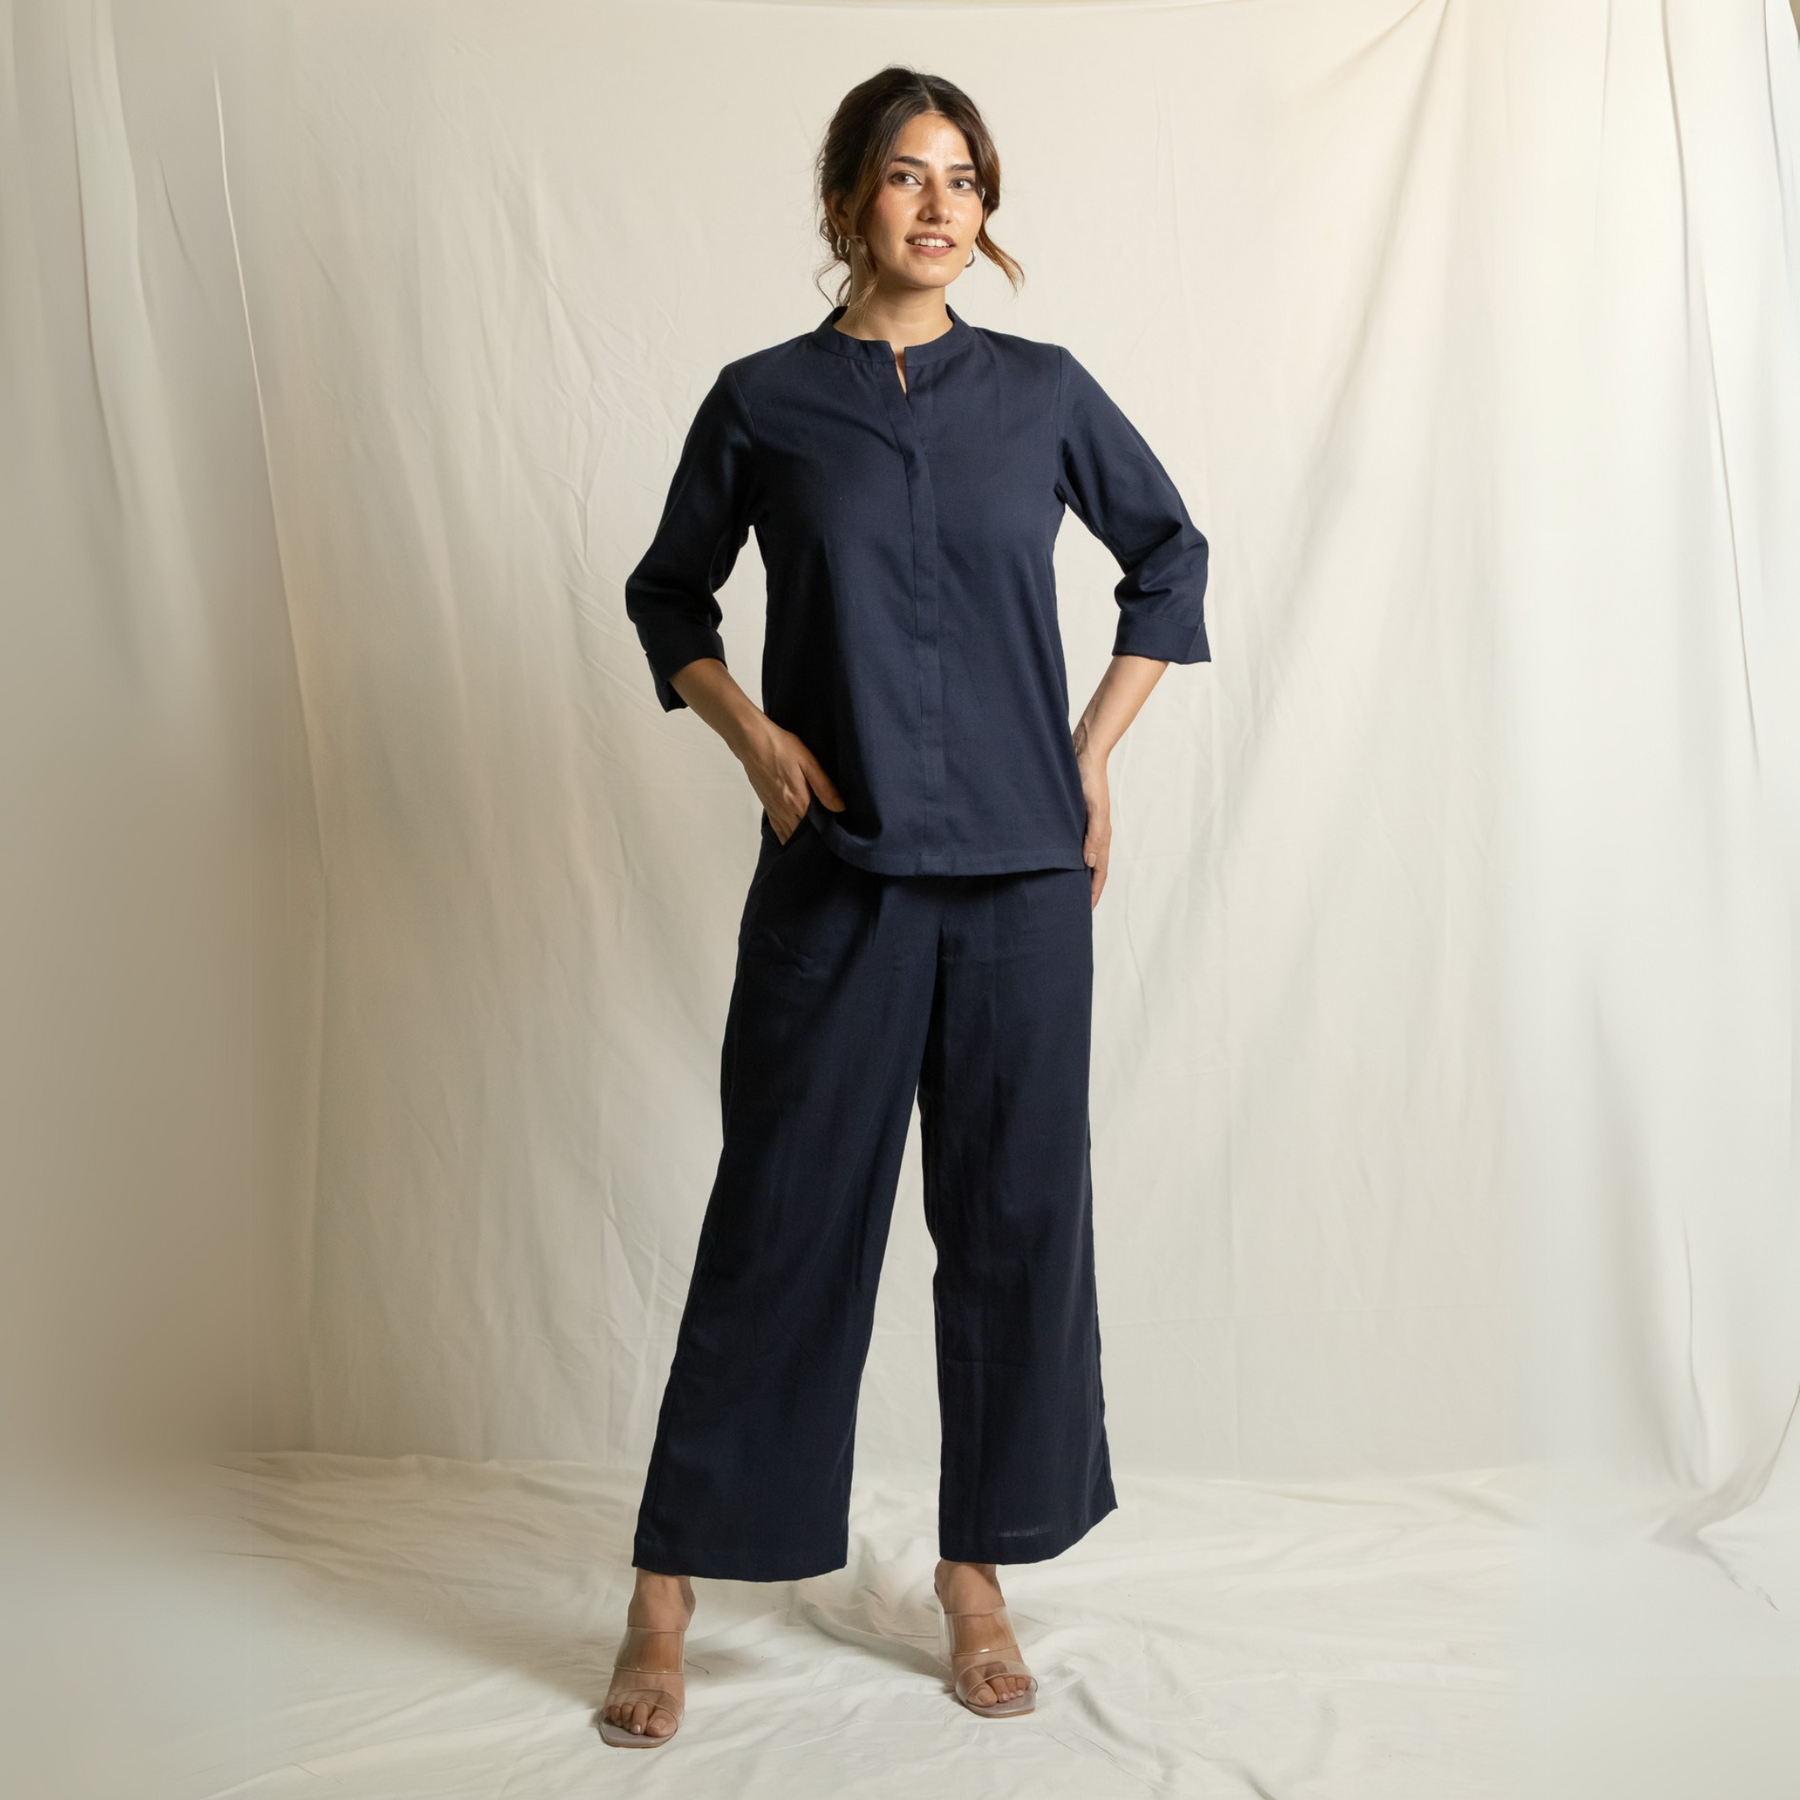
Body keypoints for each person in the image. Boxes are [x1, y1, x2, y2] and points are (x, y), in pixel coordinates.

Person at [600, 64, 1210, 1748]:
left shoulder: (1044, 391)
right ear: (846, 202)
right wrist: (751, 735)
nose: (940, 206)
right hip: (840, 875)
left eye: (965, 179)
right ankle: (664, 1592)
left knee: (1015, 1231)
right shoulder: (764, 401)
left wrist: (1093, 754)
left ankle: (976, 1576)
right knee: (782, 1224)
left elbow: (1170, 556)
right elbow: (668, 594)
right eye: (906, 176)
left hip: (1024, 882)